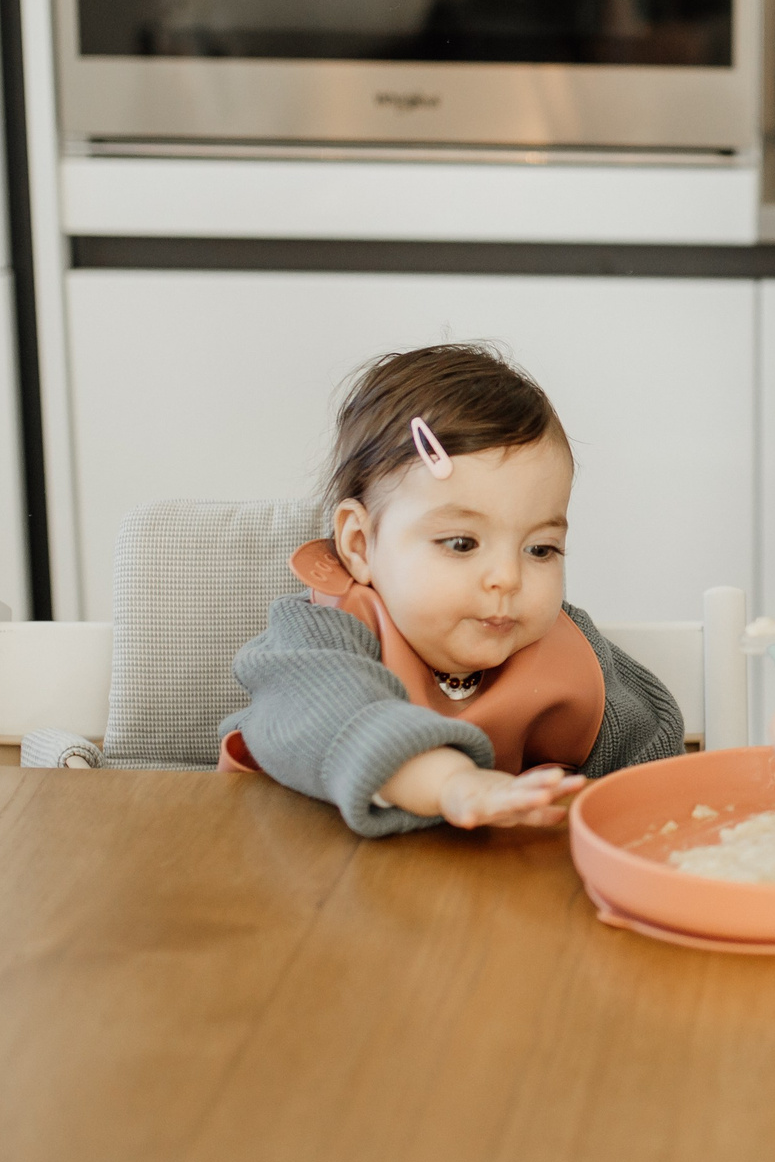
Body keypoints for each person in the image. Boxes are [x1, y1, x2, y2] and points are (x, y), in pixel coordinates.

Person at [219, 343, 684, 835]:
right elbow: (333, 716)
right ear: (359, 544)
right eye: (462, 543)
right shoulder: (319, 635)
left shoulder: (570, 654)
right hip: (305, 865)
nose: (507, 577)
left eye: (540, 549)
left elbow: (655, 766)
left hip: (482, 877)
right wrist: (454, 784)